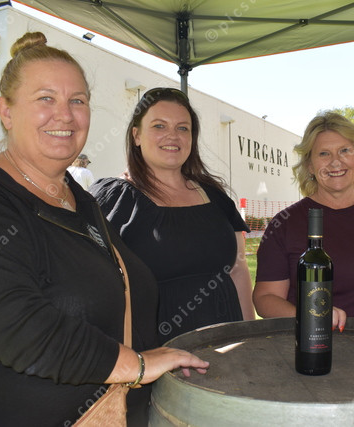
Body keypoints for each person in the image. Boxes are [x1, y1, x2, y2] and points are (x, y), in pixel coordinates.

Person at [0, 32, 209, 426]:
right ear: (6, 112)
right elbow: (19, 330)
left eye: (77, 101)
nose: (65, 115)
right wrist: (136, 365)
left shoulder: (81, 201)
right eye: (45, 98)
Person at [90, 87, 255, 344]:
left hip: (227, 346)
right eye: (159, 126)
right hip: (155, 351)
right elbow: (94, 287)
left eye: (182, 128)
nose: (172, 135)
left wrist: (248, 336)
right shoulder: (114, 199)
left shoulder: (216, 196)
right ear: (136, 135)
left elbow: (238, 269)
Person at [253, 111, 354, 330]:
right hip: (310, 346)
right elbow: (265, 298)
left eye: (345, 151)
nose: (336, 162)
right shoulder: (285, 224)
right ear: (310, 166)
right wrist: (313, 316)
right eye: (324, 154)